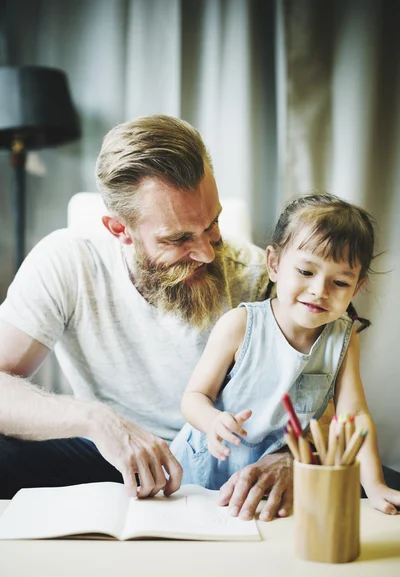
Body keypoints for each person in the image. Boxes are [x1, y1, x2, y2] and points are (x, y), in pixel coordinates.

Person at [0, 114, 292, 520]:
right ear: (119, 228)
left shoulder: (257, 275)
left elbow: (320, 390)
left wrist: (291, 456)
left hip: (228, 463)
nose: (208, 253)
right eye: (179, 238)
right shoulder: (68, 261)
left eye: (212, 225)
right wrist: (95, 420)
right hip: (106, 460)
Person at [171, 193, 400, 517]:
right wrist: (212, 421)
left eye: (339, 281)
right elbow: (193, 397)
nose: (320, 290)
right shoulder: (241, 324)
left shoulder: (343, 339)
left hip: (271, 469)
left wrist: (374, 485)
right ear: (275, 264)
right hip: (206, 462)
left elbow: (354, 418)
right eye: (306, 272)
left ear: (357, 288)